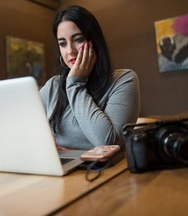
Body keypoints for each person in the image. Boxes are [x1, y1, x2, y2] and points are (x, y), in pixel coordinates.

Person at [40, 5, 140, 150]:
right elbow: (24, 128)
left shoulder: (124, 80)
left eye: (78, 39)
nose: (70, 51)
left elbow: (107, 142)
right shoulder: (53, 86)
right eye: (62, 43)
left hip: (106, 170)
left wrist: (75, 83)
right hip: (62, 168)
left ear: (95, 42)